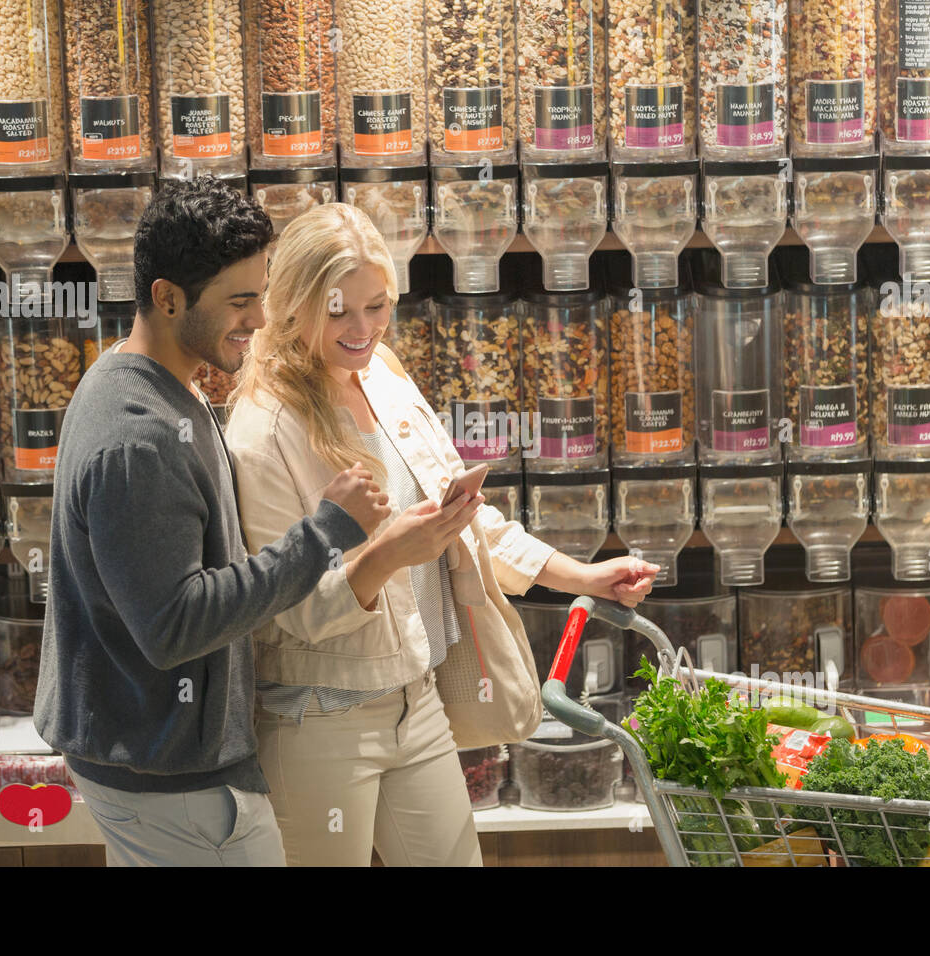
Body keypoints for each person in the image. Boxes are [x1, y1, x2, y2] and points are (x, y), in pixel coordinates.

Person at [224, 203, 658, 866]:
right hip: (318, 718)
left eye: (377, 305)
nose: (362, 329)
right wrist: (388, 556)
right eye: (339, 311)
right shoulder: (262, 431)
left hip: (416, 700)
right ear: (291, 304)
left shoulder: (383, 378)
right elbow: (291, 609)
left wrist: (582, 576)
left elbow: (466, 519)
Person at [34, 179, 390, 867]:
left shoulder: (149, 382)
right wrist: (324, 534)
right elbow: (174, 625)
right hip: (172, 782)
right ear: (168, 299)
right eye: (239, 300)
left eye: (261, 295)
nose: (260, 320)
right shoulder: (137, 438)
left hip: (156, 764)